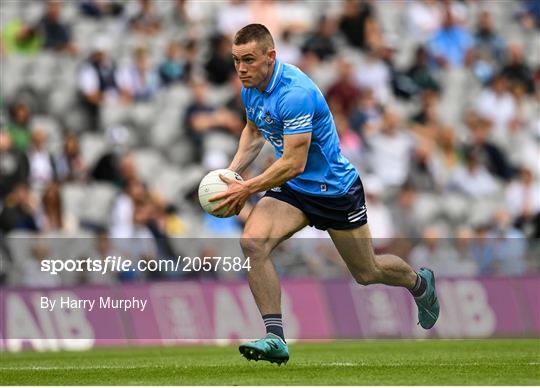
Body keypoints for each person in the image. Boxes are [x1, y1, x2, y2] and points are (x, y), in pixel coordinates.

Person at [209, 24, 440, 365]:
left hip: (333, 190)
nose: (241, 68)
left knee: (367, 272)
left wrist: (246, 187)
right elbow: (254, 131)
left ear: (270, 57)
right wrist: (232, 173)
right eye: (235, 60)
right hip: (294, 190)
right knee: (252, 243)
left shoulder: (295, 92)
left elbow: (294, 162)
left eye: (248, 59)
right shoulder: (251, 87)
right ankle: (276, 337)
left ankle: (419, 283)